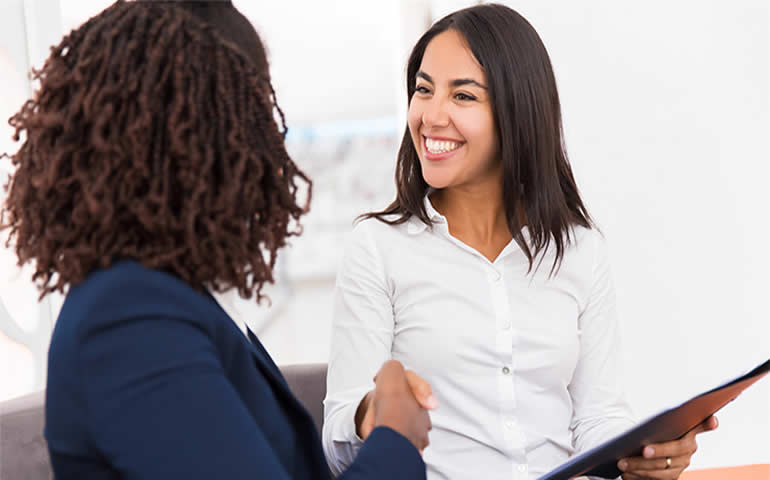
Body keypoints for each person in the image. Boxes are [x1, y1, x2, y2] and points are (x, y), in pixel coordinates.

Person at [0, 1, 435, 479]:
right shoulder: (130, 321)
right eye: (252, 114)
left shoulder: (168, 298)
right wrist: (397, 435)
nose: (270, 142)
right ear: (205, 132)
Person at [322, 4, 716, 480]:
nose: (431, 115)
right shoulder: (378, 247)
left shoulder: (579, 250)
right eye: (423, 90)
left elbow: (597, 417)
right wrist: (371, 415)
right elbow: (337, 450)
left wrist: (644, 455)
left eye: (462, 96)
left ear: (518, 110)